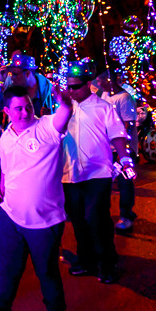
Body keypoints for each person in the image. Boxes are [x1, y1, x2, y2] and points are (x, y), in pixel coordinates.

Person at [0, 79, 75, 311]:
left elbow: (64, 114)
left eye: (27, 107)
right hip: (10, 218)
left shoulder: (47, 127)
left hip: (45, 221)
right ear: (6, 111)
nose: (25, 113)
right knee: (7, 271)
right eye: (17, 109)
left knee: (47, 272)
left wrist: (64, 101)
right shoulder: (5, 138)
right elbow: (5, 170)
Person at [60, 59, 133, 285]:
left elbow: (117, 134)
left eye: (76, 86)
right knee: (79, 220)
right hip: (70, 175)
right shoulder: (64, 108)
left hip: (98, 174)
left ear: (88, 84)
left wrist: (125, 158)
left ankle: (107, 263)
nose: (71, 91)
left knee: (96, 218)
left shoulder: (103, 108)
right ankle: (86, 260)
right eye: (68, 86)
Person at [93, 70, 140, 232]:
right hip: (107, 149)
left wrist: (121, 148)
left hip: (124, 151)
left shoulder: (125, 98)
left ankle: (126, 215)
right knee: (104, 182)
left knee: (125, 183)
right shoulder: (104, 95)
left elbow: (129, 125)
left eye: (100, 80)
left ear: (109, 79)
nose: (98, 84)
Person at [0, 52, 56, 118]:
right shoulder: (11, 84)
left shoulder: (47, 87)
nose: (12, 77)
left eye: (15, 74)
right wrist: (0, 82)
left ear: (27, 74)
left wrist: (48, 118)